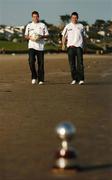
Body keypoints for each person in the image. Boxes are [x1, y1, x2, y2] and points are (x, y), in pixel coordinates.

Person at [25, 11, 49, 85]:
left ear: (39, 17)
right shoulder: (29, 25)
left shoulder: (42, 25)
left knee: (40, 64)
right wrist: (30, 37)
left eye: (36, 16)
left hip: (40, 47)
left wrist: (41, 36)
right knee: (31, 62)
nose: (35, 18)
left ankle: (41, 79)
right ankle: (34, 77)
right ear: (32, 17)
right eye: (34, 17)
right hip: (31, 46)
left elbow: (47, 35)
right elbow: (25, 36)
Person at [62, 12, 85, 85]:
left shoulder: (81, 26)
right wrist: (63, 44)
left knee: (80, 64)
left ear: (77, 18)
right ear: (71, 18)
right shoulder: (67, 26)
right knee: (72, 64)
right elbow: (64, 36)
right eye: (73, 18)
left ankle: (81, 79)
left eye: (75, 18)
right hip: (70, 47)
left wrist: (84, 45)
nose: (74, 19)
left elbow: (84, 36)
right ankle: (74, 79)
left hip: (79, 47)